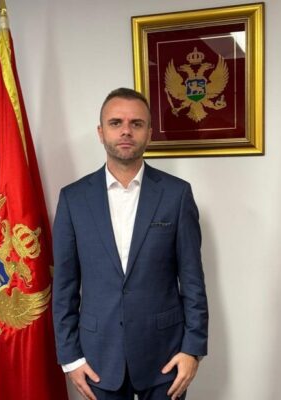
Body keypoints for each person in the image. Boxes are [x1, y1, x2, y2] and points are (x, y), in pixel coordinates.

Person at [52, 87, 209, 400]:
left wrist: (193, 349)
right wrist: (70, 358)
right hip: (98, 358)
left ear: (149, 133)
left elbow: (192, 281)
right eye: (116, 123)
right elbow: (64, 286)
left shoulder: (176, 195)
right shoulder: (73, 199)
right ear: (101, 132)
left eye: (136, 123)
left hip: (166, 357)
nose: (126, 131)